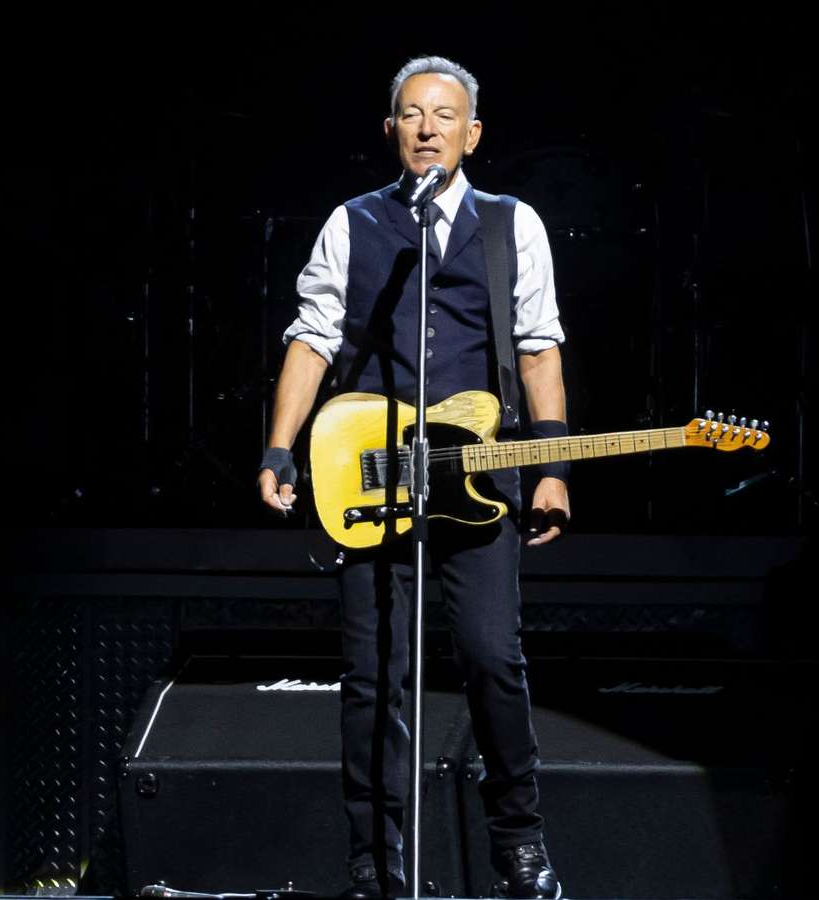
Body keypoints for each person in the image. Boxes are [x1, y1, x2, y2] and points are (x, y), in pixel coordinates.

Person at [258, 56, 568, 900]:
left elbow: (538, 348)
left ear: (473, 133)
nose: (428, 129)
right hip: (373, 475)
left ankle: (520, 843)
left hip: (478, 482)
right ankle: (374, 858)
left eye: (445, 115)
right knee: (373, 676)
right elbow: (312, 338)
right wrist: (279, 449)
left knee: (492, 659)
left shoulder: (512, 224)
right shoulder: (353, 221)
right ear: (391, 129)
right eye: (412, 114)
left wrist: (552, 467)